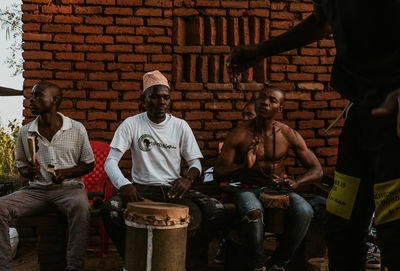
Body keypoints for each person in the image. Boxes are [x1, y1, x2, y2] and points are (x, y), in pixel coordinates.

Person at [226, 2, 400, 270]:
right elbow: (322, 20)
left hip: (394, 110)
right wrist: (261, 50)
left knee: (394, 228)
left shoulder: (288, 134)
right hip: (362, 110)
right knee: (341, 224)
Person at [100, 70, 225, 271]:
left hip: (174, 190)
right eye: (155, 97)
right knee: (109, 210)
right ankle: (132, 259)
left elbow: (196, 163)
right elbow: (110, 161)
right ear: (144, 100)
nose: (161, 102)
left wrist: (187, 180)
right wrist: (124, 184)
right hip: (141, 190)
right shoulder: (131, 124)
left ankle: (182, 259)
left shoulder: (180, 126)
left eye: (166, 97)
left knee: (216, 210)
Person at [214, 85, 323, 271]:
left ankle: (278, 263)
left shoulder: (287, 134)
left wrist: (296, 182)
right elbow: (218, 172)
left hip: (279, 190)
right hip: (248, 188)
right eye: (262, 98)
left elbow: (317, 169)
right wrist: (243, 167)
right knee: (253, 212)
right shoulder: (239, 133)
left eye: (272, 100)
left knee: (305, 210)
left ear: (280, 108)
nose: (265, 102)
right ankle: (257, 266)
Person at [0, 81, 94, 271]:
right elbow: (21, 166)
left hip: (69, 190)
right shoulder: (26, 131)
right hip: (36, 191)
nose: (30, 100)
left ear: (54, 100)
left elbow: (88, 164)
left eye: (37, 95)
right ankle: (4, 266)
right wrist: (29, 171)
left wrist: (65, 173)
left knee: (82, 208)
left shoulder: (76, 129)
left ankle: (74, 266)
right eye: (31, 96)